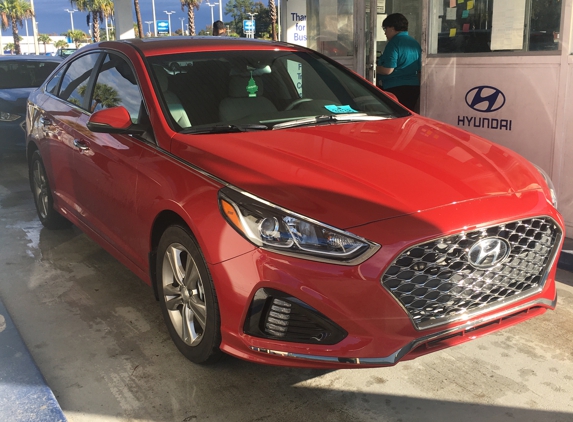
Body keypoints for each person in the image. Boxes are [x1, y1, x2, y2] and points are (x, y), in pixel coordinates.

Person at [376, 13, 421, 111]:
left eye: (385, 29)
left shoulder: (394, 43)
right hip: (414, 88)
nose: (385, 33)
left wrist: (372, 68)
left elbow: (387, 70)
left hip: (395, 89)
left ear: (392, 28)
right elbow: (419, 68)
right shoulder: (415, 43)